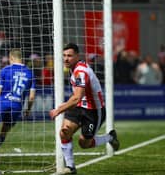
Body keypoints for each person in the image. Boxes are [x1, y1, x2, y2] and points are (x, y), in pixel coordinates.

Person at [49, 43, 119, 174]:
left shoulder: (81, 72)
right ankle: (71, 167)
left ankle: (110, 137)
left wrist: (59, 109)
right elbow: (77, 97)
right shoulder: (72, 68)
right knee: (64, 132)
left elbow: (77, 98)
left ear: (77, 56)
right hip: (79, 106)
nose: (66, 59)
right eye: (64, 55)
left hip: (93, 111)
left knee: (84, 143)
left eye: (69, 56)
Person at [0, 48, 36, 162]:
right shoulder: (30, 73)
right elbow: (31, 97)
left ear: (11, 58)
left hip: (2, 105)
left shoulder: (5, 70)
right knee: (3, 132)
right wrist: (28, 109)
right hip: (16, 107)